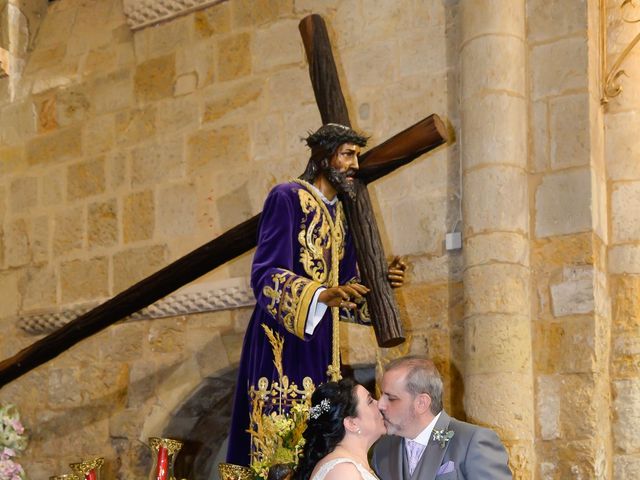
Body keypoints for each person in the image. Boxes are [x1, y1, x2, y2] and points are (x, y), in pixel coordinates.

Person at [226, 124, 407, 466]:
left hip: (323, 345)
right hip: (280, 339)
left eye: (356, 155)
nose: (354, 164)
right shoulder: (287, 197)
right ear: (323, 158)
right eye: (347, 155)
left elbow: (350, 288)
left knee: (317, 421)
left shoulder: (345, 216)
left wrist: (381, 282)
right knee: (277, 434)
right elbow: (265, 274)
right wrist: (320, 295)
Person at [371, 356, 512, 480]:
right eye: (382, 395)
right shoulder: (381, 451)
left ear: (421, 403)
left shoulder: (473, 441)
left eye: (391, 398)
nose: (381, 404)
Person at [296, 378, 385, 480]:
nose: (380, 404)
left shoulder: (347, 466)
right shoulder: (343, 471)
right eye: (370, 401)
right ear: (352, 423)